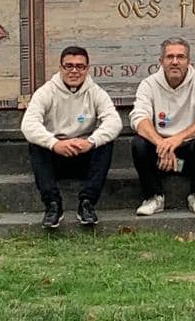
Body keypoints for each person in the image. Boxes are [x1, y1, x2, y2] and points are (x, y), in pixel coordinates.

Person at [21, 45, 122, 228]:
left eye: (80, 66)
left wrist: (91, 142)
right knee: (36, 144)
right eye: (69, 66)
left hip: (84, 154)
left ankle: (87, 204)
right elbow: (28, 124)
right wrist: (54, 144)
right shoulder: (46, 92)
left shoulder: (96, 92)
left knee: (105, 142)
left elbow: (114, 122)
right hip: (56, 157)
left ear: (87, 69)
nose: (74, 71)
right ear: (60, 68)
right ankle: (53, 205)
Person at [129, 39, 195, 216]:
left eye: (181, 57)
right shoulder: (148, 84)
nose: (175, 62)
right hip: (160, 156)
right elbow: (139, 118)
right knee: (139, 143)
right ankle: (153, 197)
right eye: (170, 57)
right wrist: (162, 145)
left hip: (190, 154)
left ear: (188, 61)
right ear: (161, 61)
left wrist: (177, 139)